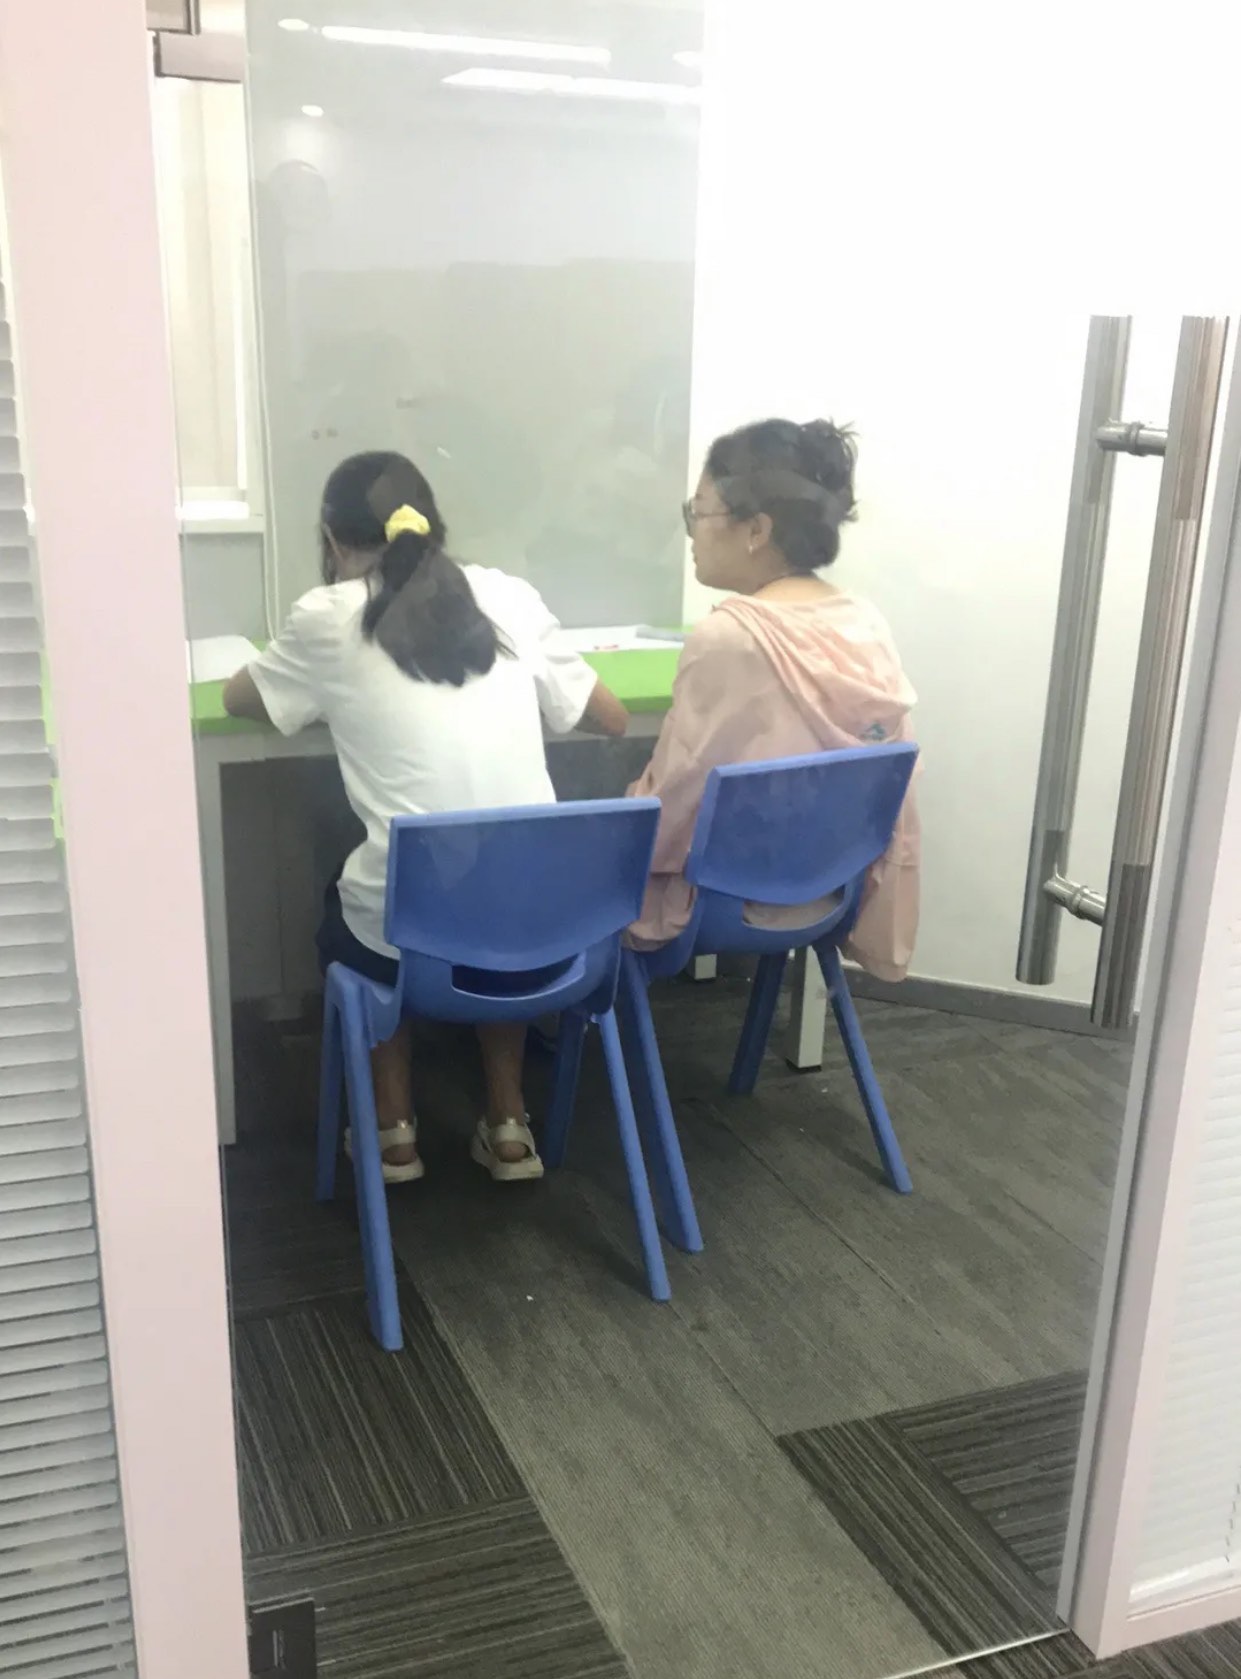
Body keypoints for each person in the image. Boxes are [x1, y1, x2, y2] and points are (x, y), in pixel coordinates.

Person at [224, 451, 628, 1184]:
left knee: (367, 881)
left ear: (331, 537)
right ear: (434, 527)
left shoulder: (327, 616)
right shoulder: (508, 596)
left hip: (410, 941)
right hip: (541, 933)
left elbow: (238, 700)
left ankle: (392, 1132)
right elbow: (611, 717)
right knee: (498, 879)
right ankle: (510, 1125)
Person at [629, 418, 919, 978]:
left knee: (588, 877)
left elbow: (672, 801)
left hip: (725, 904)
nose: (691, 534)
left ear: (756, 529)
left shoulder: (731, 637)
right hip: (833, 893)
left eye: (698, 513)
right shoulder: (865, 621)